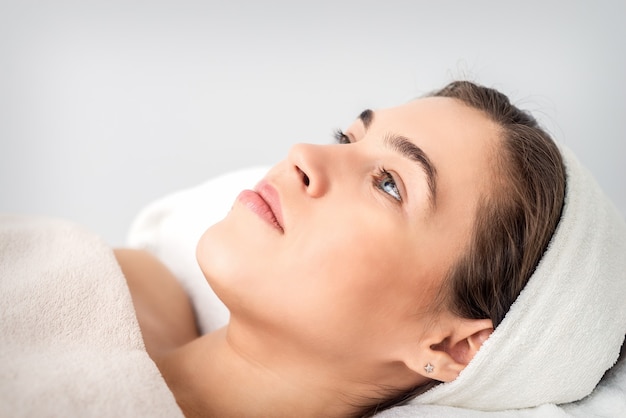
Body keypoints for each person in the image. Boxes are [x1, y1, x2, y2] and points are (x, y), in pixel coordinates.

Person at [114, 81, 622, 417]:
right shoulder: (127, 290)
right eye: (348, 137)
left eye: (389, 185)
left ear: (451, 346)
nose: (304, 155)